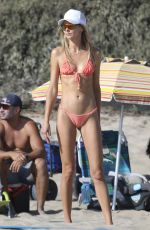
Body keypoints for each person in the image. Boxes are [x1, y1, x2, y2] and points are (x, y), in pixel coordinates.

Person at [42, 9, 113, 224]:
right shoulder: (57, 54)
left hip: (90, 113)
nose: (67, 29)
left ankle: (109, 222)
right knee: (67, 170)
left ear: (81, 28)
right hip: (65, 114)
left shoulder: (95, 53)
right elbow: (53, 89)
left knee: (97, 172)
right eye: (64, 25)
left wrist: (98, 117)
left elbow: (97, 88)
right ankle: (67, 222)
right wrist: (45, 120)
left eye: (71, 26)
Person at [0, 94, 49, 215]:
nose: (1, 109)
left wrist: (26, 157)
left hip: (25, 170)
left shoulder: (28, 125)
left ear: (17, 110)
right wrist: (11, 154)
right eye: (0, 106)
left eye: (5, 107)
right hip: (6, 170)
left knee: (41, 163)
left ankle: (40, 208)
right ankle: (6, 205)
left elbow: (40, 150)